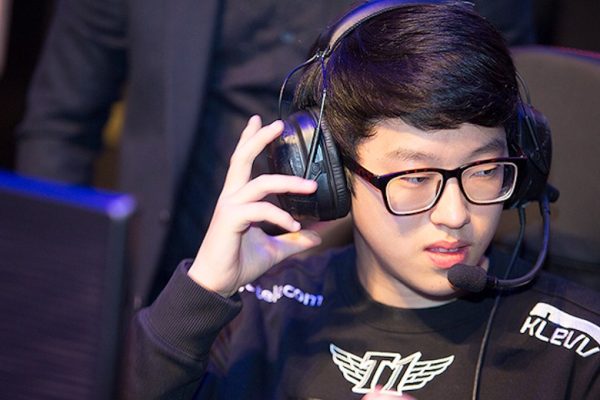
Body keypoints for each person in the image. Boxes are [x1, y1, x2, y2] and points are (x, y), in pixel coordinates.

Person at [126, 1, 599, 399]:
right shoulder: (259, 320)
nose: (456, 215)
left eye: (484, 171)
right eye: (415, 177)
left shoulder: (580, 353)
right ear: (329, 172)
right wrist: (204, 291)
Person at [13, 0, 536, 309]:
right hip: (169, 269)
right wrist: (61, 289)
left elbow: (502, 112)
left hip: (370, 275)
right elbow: (59, 124)